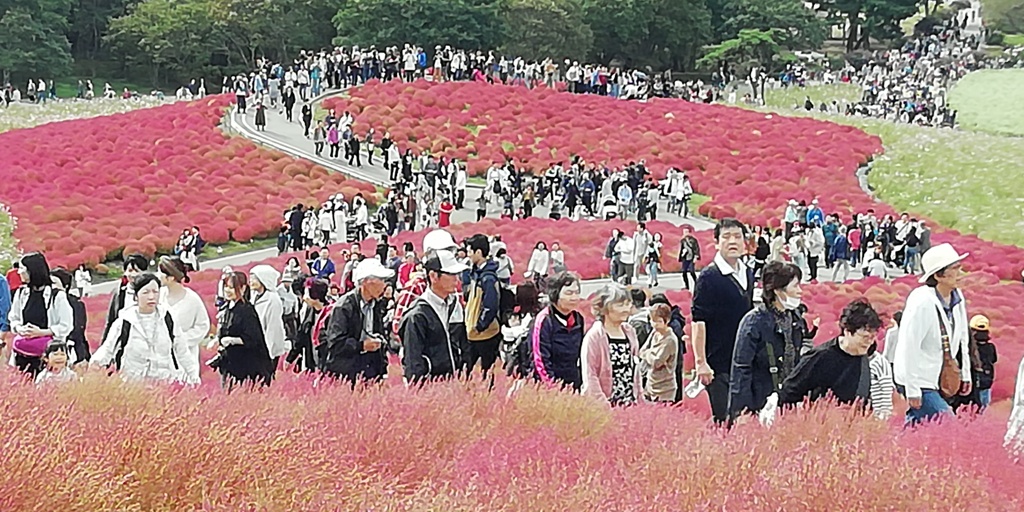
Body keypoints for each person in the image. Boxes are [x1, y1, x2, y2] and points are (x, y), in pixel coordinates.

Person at [893, 243, 972, 425]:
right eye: (955, 268)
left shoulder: (957, 297)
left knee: (916, 425)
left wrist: (965, 375)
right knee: (947, 423)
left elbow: (962, 338)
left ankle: (895, 450)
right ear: (938, 275)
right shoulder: (921, 302)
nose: (960, 273)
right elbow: (909, 345)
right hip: (917, 378)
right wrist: (912, 389)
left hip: (936, 376)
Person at [691, 219, 755, 423]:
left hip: (743, 361)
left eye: (737, 236)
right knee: (725, 421)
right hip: (718, 364)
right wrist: (701, 362)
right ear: (717, 243)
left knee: (745, 419)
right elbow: (698, 321)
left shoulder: (748, 273)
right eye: (726, 237)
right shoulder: (709, 277)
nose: (732, 241)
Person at [728, 261, 805, 421]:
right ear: (778, 290)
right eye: (795, 286)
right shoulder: (754, 322)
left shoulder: (795, 318)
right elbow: (741, 368)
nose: (800, 291)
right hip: (760, 402)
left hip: (786, 402)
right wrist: (742, 411)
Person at [778, 299, 884, 411]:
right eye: (865, 337)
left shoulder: (865, 355)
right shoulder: (822, 355)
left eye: (873, 337)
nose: (870, 342)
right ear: (848, 331)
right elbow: (789, 390)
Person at [91, 273, 198, 383]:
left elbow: (182, 351)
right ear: (136, 296)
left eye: (155, 292)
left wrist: (193, 376)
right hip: (134, 386)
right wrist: (94, 368)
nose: (151, 297)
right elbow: (107, 349)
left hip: (165, 383)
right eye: (146, 292)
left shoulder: (167, 318)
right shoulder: (125, 321)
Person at [400, 250, 469, 383]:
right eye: (451, 274)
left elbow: (462, 344)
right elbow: (413, 361)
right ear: (433, 276)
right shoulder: (417, 315)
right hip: (431, 387)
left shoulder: (454, 305)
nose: (457, 279)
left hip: (455, 384)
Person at [321, 259, 393, 383]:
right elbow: (335, 343)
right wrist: (362, 346)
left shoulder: (376, 305)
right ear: (367, 282)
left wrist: (382, 374)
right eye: (381, 280)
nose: (384, 285)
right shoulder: (343, 307)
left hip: (369, 372)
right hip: (346, 374)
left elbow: (380, 338)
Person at [8, 253, 73, 377]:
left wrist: (41, 332)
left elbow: (66, 325)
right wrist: (20, 328)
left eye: (22, 268)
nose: (19, 272)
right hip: (22, 354)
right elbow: (13, 318)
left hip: (47, 356)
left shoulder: (57, 296)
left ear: (32, 270)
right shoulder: (22, 293)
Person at [581, 283, 643, 406]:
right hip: (605, 405)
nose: (626, 309)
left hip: (629, 404)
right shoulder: (595, 336)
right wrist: (604, 405)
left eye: (628, 304)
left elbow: (635, 370)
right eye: (620, 305)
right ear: (605, 308)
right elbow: (590, 375)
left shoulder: (629, 332)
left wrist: (640, 398)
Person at [212, 271, 274, 389]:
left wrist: (232, 340)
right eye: (226, 287)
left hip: (246, 365)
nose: (227, 290)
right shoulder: (227, 308)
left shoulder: (246, 310)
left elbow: (253, 338)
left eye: (232, 287)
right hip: (230, 363)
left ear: (243, 288)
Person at [158, 256, 210, 383]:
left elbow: (203, 326)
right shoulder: (159, 295)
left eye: (161, 272)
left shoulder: (192, 299)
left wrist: (181, 339)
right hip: (161, 357)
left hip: (185, 357)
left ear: (171, 278)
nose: (158, 275)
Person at [531, 271, 584, 390]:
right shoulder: (544, 320)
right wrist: (553, 388)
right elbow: (540, 360)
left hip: (573, 383)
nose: (574, 297)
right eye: (569, 293)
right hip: (550, 386)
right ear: (555, 294)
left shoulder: (578, 319)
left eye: (577, 293)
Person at [464, 234, 502, 377]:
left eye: (470, 251)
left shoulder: (488, 278)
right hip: (474, 332)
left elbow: (490, 306)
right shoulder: (476, 273)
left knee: (486, 370)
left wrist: (480, 325)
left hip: (485, 333)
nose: (468, 255)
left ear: (478, 252)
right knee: (467, 369)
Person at [250, 265, 289, 376]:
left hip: (269, 347)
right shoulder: (255, 296)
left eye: (254, 278)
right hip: (258, 346)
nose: (251, 281)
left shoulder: (272, 300)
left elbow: (273, 328)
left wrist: (268, 352)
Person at [102, 254, 150, 342]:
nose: (133, 274)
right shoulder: (120, 293)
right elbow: (111, 320)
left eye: (137, 270)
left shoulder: (152, 293)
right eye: (130, 270)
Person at [639, 303, 679, 402]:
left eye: (659, 321)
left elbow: (657, 362)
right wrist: (649, 354)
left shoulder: (670, 340)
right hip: (651, 383)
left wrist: (647, 354)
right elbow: (641, 351)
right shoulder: (655, 333)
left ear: (667, 321)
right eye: (653, 321)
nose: (655, 324)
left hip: (665, 388)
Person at [969, 315, 996, 410]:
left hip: (974, 384)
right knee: (983, 408)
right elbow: (994, 360)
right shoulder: (990, 347)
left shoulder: (970, 348)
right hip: (987, 382)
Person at [678, 225, 701, 290]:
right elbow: (681, 248)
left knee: (692, 272)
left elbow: (696, 249)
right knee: (684, 272)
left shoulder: (693, 240)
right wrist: (681, 256)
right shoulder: (683, 240)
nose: (685, 233)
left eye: (686, 231)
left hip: (691, 257)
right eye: (684, 232)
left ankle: (696, 284)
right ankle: (687, 286)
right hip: (685, 258)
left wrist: (696, 257)